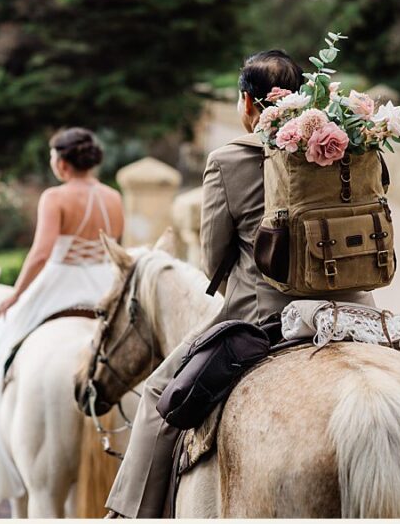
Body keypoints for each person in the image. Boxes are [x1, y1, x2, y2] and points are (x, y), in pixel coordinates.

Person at [103, 50, 376, 518]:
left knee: (155, 395)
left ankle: (131, 513)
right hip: (357, 308)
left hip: (262, 315)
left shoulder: (228, 160)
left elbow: (212, 259)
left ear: (248, 103)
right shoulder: (348, 145)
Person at [0, 127, 124, 504]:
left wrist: (16, 296)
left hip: (59, 286)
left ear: (61, 162)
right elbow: (116, 251)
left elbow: (42, 253)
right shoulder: (114, 197)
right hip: (102, 289)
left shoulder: (54, 197)